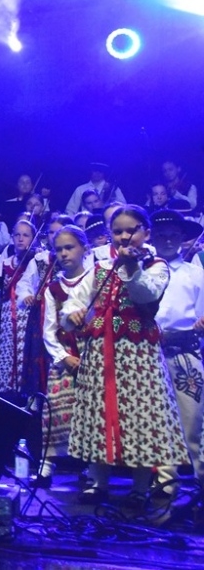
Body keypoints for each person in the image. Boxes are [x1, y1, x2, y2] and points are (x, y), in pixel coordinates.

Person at [61, 206, 187, 504]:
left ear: (146, 233)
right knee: (99, 413)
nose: (123, 236)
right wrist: (72, 314)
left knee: (142, 417)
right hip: (100, 355)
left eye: (131, 230)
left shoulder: (156, 265)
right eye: (117, 231)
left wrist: (131, 267)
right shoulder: (100, 267)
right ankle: (97, 482)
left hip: (138, 356)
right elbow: (75, 301)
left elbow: (145, 294)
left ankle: (140, 489)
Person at [149, 210, 204, 496]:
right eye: (162, 235)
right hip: (148, 354)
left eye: (174, 234)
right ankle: (164, 480)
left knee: (192, 420)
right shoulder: (144, 270)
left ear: (182, 237)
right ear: (152, 237)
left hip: (184, 352)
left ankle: (199, 477)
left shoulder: (195, 273)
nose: (168, 240)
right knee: (155, 419)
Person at [33, 226, 90, 489]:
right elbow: (49, 329)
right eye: (59, 249)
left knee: (90, 411)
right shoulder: (53, 288)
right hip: (65, 355)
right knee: (55, 409)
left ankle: (91, 467)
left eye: (70, 247)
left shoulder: (95, 280)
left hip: (92, 355)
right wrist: (62, 356)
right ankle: (47, 464)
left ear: (84, 248)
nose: (64, 253)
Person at [0, 219, 40, 398]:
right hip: (6, 316)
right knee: (6, 353)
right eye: (17, 235)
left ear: (33, 238)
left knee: (24, 352)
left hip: (26, 314)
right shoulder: (5, 263)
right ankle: (4, 391)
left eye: (26, 235)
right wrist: (0, 285)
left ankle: (23, 392)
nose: (21, 239)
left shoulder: (37, 260)